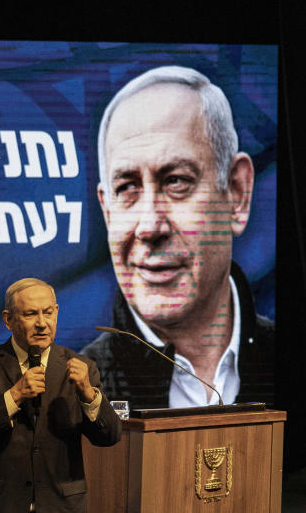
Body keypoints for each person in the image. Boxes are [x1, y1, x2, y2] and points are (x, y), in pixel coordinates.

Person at [81, 66, 274, 408]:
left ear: (237, 193)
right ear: (107, 212)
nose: (150, 226)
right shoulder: (69, 396)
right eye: (127, 188)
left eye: (176, 181)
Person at [0, 278, 121, 512]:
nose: (42, 323)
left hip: (60, 504)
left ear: (57, 312)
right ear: (8, 320)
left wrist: (89, 395)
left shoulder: (83, 366)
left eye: (48, 312)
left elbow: (110, 436)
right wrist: (14, 396)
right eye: (31, 314)